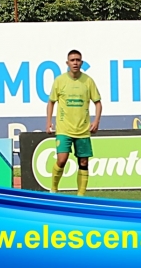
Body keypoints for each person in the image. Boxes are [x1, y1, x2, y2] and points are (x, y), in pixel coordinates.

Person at [45, 49, 102, 196]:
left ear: (81, 62)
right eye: (72, 60)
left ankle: (81, 195)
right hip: (64, 129)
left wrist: (96, 121)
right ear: (67, 63)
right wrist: (48, 122)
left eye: (78, 60)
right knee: (62, 160)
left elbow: (98, 103)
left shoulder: (88, 81)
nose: (75, 63)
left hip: (82, 130)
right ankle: (53, 190)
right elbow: (51, 102)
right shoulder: (59, 81)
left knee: (83, 162)